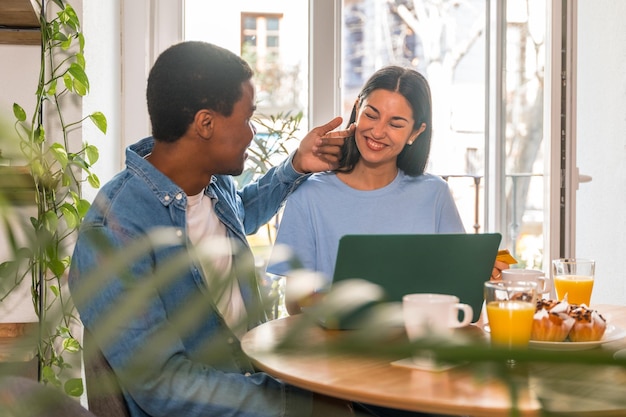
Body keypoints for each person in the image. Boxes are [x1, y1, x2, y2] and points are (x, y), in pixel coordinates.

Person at [68, 41, 358, 417]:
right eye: (247, 118)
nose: (253, 133)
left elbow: (242, 213)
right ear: (205, 123)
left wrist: (297, 166)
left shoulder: (211, 184)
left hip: (254, 377)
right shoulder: (115, 232)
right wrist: (292, 399)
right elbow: (161, 386)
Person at [266, 66, 508, 314]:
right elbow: (295, 305)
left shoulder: (435, 194)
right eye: (371, 115)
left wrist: (479, 275)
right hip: (335, 348)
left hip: (416, 345)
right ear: (357, 108)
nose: (378, 132)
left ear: (416, 132)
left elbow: (456, 292)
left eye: (396, 123)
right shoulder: (308, 196)